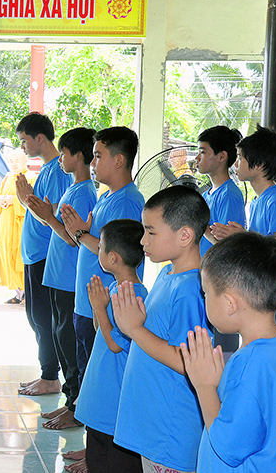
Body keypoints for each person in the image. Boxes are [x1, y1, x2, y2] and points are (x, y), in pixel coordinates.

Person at [182, 232, 276, 472]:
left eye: (206, 293)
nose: (204, 299)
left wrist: (204, 386)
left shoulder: (250, 365)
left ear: (230, 303)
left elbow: (228, 447)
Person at [112, 186, 211, 473]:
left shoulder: (191, 289)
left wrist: (135, 329)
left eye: (151, 232)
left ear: (185, 236)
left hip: (170, 431)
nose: (143, 240)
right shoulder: (169, 273)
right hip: (154, 423)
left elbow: (187, 360)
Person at [60, 126, 144, 413]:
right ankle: (79, 414)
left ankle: (90, 427)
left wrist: (80, 233)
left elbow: (118, 254)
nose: (92, 163)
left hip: (108, 304)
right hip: (91, 301)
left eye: (98, 156)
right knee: (87, 367)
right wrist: (81, 231)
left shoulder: (128, 201)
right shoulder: (107, 196)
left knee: (102, 376)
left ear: (119, 160)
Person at [27, 127, 97, 436]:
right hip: (58, 277)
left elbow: (73, 238)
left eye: (65, 154)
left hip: (70, 280)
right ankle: (70, 401)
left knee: (70, 344)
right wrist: (45, 213)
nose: (60, 159)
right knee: (61, 338)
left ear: (78, 156)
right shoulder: (74, 188)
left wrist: (48, 216)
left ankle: (75, 407)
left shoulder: (84, 192)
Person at [211, 126, 276, 337]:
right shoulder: (258, 201)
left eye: (241, 158)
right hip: (265, 307)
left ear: (259, 164)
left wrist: (244, 238)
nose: (235, 164)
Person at [75, 220, 146, 473]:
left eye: (100, 247)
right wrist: (100, 309)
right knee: (97, 460)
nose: (98, 251)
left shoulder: (135, 295)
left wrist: (99, 309)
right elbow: (101, 331)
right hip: (100, 397)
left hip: (114, 401)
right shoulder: (116, 287)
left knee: (116, 463)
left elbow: (117, 344)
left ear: (113, 257)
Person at [13, 112, 72, 396]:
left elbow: (53, 218)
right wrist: (26, 200)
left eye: (24, 140)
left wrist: (27, 201)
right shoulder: (46, 170)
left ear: (40, 138)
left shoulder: (58, 172)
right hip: (34, 255)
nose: (22, 146)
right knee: (36, 317)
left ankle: (50, 376)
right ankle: (46, 373)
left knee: (44, 318)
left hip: (46, 255)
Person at [194, 125, 246, 355]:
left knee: (222, 352)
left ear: (222, 156)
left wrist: (200, 224)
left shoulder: (230, 194)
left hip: (221, 283)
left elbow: (228, 246)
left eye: (203, 152)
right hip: (205, 279)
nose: (197, 158)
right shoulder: (207, 195)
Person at [0, 149, 34, 304]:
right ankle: (18, 293)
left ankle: (27, 293)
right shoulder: (8, 177)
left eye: (17, 160)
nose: (14, 164)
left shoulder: (31, 177)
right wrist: (1, 200)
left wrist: (13, 200)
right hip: (6, 225)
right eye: (11, 161)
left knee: (19, 258)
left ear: (25, 161)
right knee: (8, 257)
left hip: (20, 225)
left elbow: (32, 201)